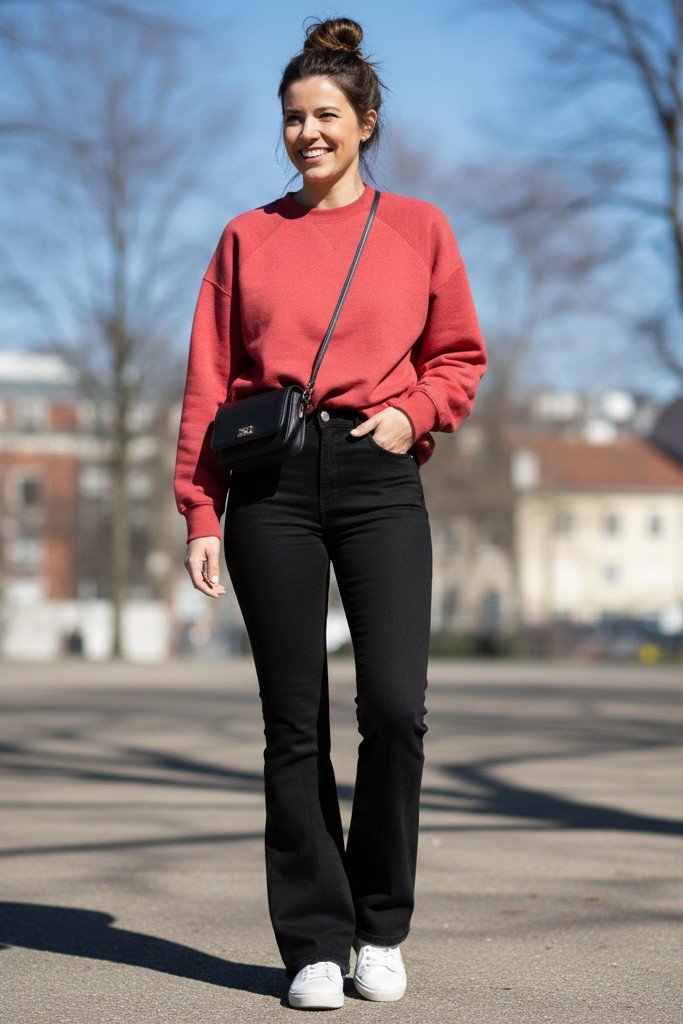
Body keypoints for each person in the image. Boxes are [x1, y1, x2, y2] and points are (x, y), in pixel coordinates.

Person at [173, 15, 488, 1010]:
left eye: (324, 115)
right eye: (292, 119)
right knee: (291, 721)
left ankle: (378, 924)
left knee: (394, 710)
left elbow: (459, 358)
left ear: (364, 122)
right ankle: (312, 937)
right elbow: (205, 382)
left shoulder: (419, 229)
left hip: (375, 476)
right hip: (269, 488)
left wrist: (413, 415)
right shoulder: (245, 237)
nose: (306, 133)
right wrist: (199, 510)